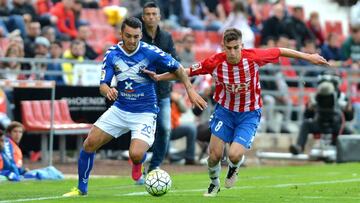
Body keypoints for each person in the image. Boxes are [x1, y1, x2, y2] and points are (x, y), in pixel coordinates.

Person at [143, 28, 329, 197]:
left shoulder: (254, 57)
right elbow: (186, 71)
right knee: (214, 155)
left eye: (236, 48)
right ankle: (214, 184)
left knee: (233, 154)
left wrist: (308, 56)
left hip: (249, 113)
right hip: (225, 111)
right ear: (223, 46)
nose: (232, 52)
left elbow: (280, 51)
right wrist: (160, 77)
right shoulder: (215, 62)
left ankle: (234, 167)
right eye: (228, 48)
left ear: (242, 46)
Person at [62, 17, 206, 197]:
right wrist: (107, 90)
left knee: (136, 154)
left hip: (145, 112)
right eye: (128, 36)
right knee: (89, 143)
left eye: (136, 37)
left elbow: (177, 68)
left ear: (140, 36)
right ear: (121, 34)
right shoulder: (113, 54)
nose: (132, 41)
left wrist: (190, 90)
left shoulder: (151, 52)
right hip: (120, 108)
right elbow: (103, 85)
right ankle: (81, 189)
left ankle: (138, 163)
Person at [140, 1, 179, 174]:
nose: (151, 17)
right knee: (139, 131)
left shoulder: (167, 37)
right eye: (147, 14)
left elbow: (175, 63)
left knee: (164, 129)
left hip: (163, 92)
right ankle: (138, 163)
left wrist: (155, 67)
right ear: (143, 17)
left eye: (154, 14)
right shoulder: (137, 37)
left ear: (159, 17)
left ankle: (155, 166)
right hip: (141, 93)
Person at [289, 73, 354, 155]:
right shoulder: (315, 97)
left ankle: (347, 153)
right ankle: (299, 147)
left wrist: (349, 110)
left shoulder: (342, 97)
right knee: (306, 124)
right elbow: (307, 115)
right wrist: (309, 108)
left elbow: (349, 118)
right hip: (319, 123)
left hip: (336, 125)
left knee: (348, 131)